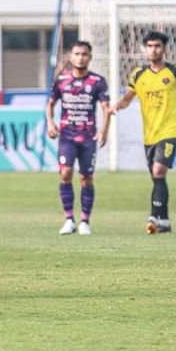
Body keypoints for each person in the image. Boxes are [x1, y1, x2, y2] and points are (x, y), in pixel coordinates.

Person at [110, 30, 176, 234]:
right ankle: (165, 221)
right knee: (157, 177)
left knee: (159, 171)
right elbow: (128, 97)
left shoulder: (175, 72)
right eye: (150, 46)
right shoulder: (138, 74)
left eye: (157, 46)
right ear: (145, 49)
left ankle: (153, 216)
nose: (153, 49)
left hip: (170, 130)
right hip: (149, 134)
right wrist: (117, 106)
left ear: (164, 49)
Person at [46, 40, 110, 236]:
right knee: (65, 174)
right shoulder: (61, 80)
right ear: (70, 57)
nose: (80, 57)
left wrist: (104, 131)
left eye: (84, 54)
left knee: (86, 179)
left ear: (89, 57)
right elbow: (50, 104)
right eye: (77, 53)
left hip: (88, 137)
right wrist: (50, 123)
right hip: (67, 136)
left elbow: (106, 108)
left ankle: (84, 221)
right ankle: (68, 219)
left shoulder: (97, 81)